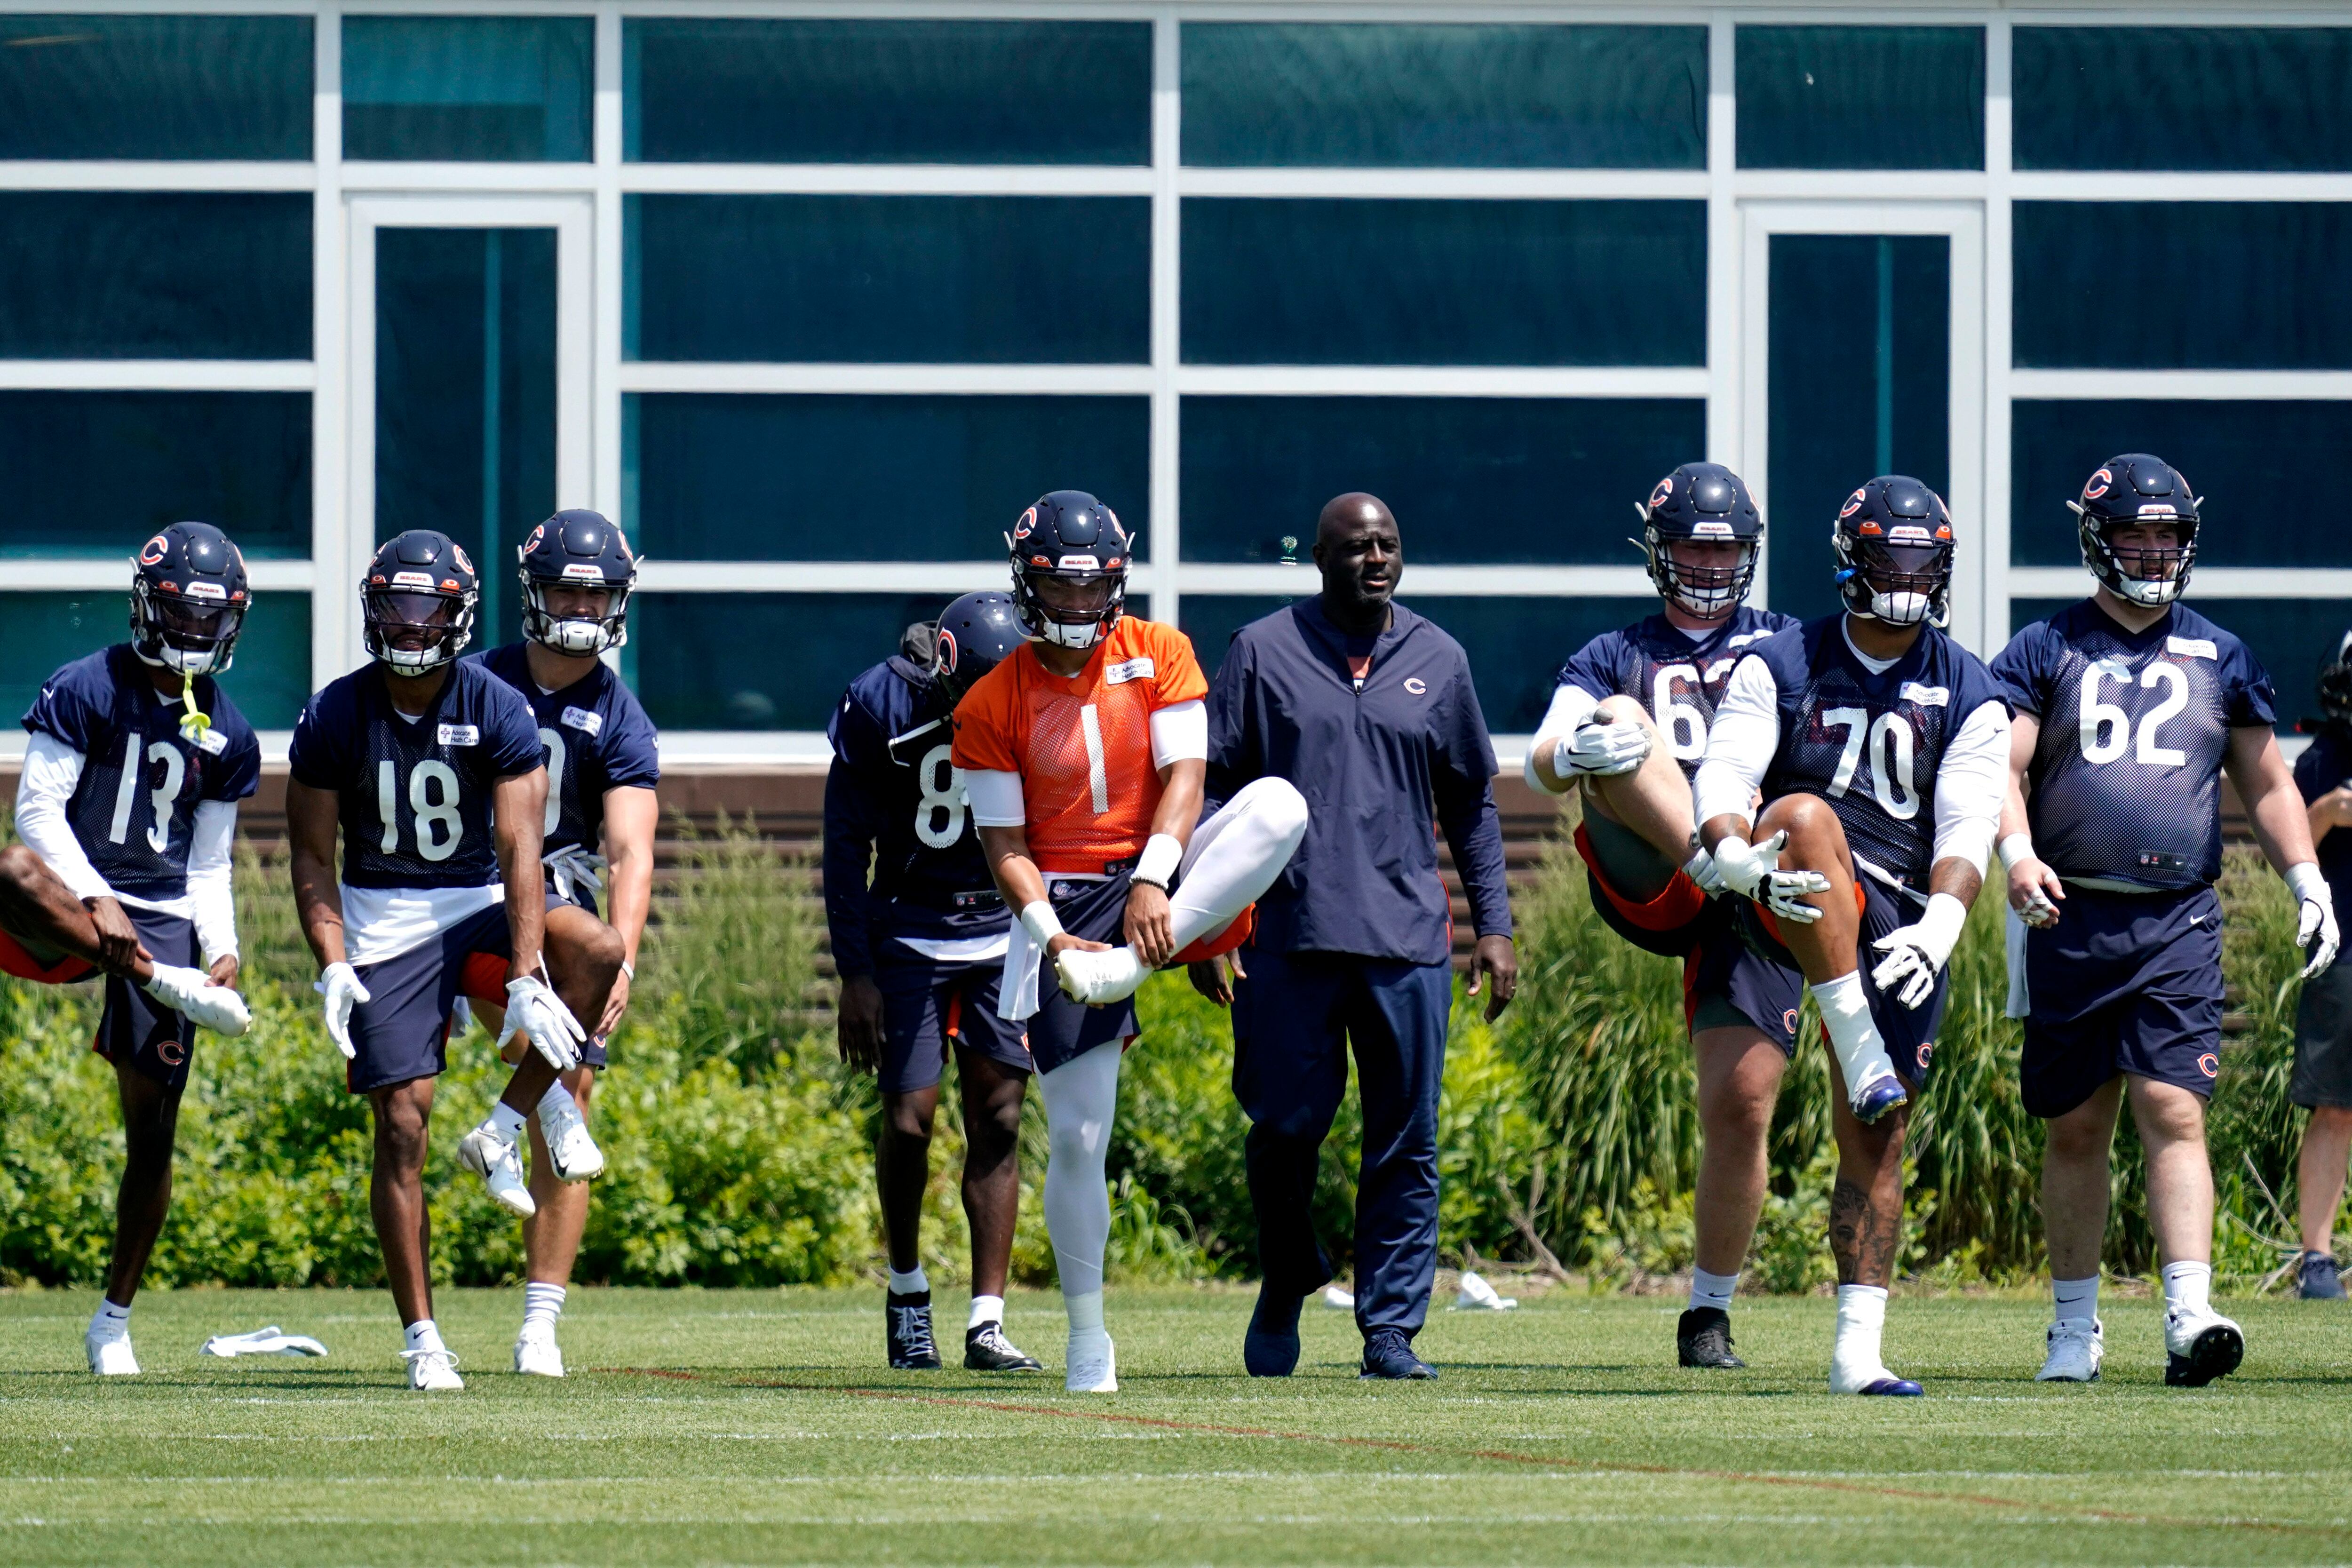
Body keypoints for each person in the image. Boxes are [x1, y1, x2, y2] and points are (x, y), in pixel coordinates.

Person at [953, 490, 1306, 1393]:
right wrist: (1053, 939)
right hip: (1066, 900)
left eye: (1091, 589)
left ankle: (1134, 963)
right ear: (1026, 585)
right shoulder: (994, 698)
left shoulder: (1159, 650)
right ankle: (1087, 1335)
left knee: (1280, 805)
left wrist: (1154, 879)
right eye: (1058, 590)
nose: (1076, 608)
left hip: (1163, 874)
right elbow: (1005, 847)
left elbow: (1186, 775)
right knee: (1076, 1136)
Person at [1996, 455, 2337, 1384]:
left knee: (2172, 1105)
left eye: (2167, 535)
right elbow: (2003, 767)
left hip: (2178, 917)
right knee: (2075, 1124)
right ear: (2095, 538)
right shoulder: (2046, 646)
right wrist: (2016, 852)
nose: (2151, 551)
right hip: (2068, 909)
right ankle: (2074, 1327)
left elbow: (2265, 781)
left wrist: (2308, 882)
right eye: (2134, 534)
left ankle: (2189, 1311)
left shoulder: (2218, 651)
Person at [1694, 475, 2009, 1397]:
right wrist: (1734, 854)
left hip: (1899, 921)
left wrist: (1943, 926)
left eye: (1924, 560)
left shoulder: (1971, 689)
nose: (1907, 578)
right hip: (1780, 892)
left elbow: (1963, 828)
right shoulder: (1781, 658)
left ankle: (1855, 1350)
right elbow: (1724, 779)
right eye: (1888, 557)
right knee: (1802, 809)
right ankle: (1851, 1027)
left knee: (1876, 1131)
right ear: (1848, 558)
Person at [1194, 491, 1516, 1382]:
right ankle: (1286, 1279)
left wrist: (1495, 926)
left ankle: (1390, 1330)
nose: (1375, 558)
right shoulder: (1261, 651)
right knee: (1282, 1132)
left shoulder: (1439, 658)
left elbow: (1472, 806)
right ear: (1322, 559)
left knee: (1405, 1143)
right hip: (1286, 939)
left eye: (1388, 544)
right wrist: (1209, 917)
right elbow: (1212, 793)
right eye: (1356, 546)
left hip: (1408, 940)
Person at [285, 529, 617, 1391]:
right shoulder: (334, 711)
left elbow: (519, 849)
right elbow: (313, 856)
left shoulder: (498, 704)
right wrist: (331, 959)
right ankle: (423, 1336)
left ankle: (507, 1124)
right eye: (394, 603)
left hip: (474, 902)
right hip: (382, 920)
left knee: (600, 949)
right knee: (400, 1125)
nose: (409, 622)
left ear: (459, 614)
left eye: (426, 605)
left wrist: (522, 968)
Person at [1522, 463, 1803, 1370]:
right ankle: (1708, 852)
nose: (1711, 563)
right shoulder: (1616, 652)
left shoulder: (1792, 643)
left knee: (1742, 1101)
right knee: (1611, 719)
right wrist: (1575, 750)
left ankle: (1707, 1314)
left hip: (1756, 879)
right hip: (1660, 874)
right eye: (1693, 545)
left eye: (1725, 547)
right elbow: (1539, 763)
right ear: (1658, 550)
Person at [0, 523, 258, 1376]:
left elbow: (211, 863)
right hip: (74, 905)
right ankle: (162, 981)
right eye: (181, 612)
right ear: (148, 605)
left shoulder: (229, 730)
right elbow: (36, 816)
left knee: (152, 1135)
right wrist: (98, 899)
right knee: (9, 869)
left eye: (209, 617)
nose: (193, 632)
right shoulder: (87, 685)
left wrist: (219, 950)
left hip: (161, 917)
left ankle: (113, 1321)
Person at [826, 589, 1044, 1373]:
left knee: (999, 1116)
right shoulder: (879, 701)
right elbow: (844, 844)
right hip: (909, 927)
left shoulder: (1034, 688)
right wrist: (855, 970)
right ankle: (908, 1291)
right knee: (910, 1120)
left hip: (1000, 925)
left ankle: (987, 1321)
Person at [462, 510, 654, 1377]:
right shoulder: (476, 679)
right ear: (534, 589)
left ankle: (541, 1322)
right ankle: (524, 1107)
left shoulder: (618, 712)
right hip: (462, 886)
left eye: (594, 589)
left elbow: (629, 848)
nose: (579, 603)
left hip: (568, 900)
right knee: (531, 1051)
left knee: (573, 1089)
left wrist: (627, 954)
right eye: (566, 586)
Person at [2291, 630, 2352, 1300]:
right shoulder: (2323, 759)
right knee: (2335, 1105)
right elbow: (2289, 850)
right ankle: (2317, 1258)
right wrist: (2331, 811)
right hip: (2346, 949)